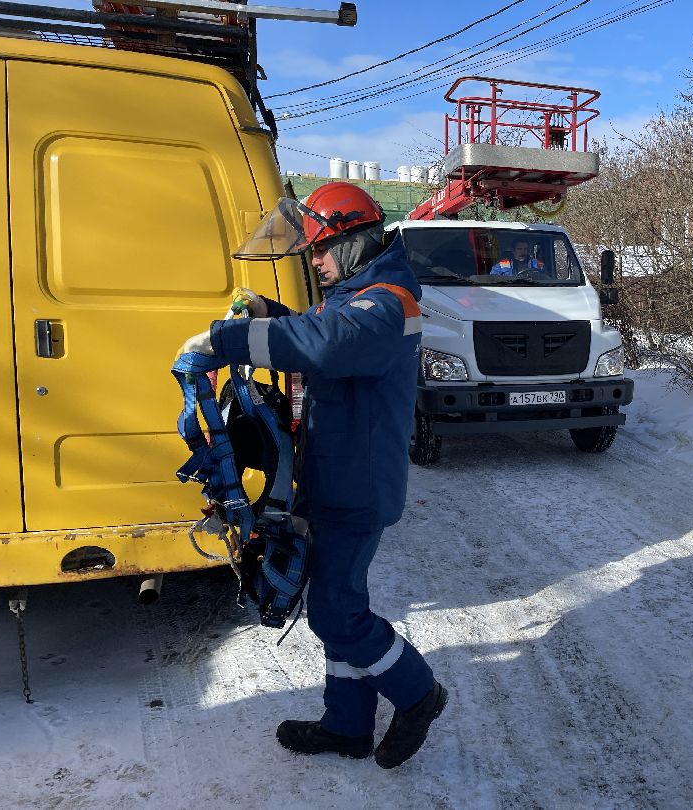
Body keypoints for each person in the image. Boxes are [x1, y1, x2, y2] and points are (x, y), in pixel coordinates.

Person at [177, 182, 447, 769]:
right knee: (337, 601)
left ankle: (417, 691)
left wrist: (226, 340)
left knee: (335, 612)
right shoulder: (355, 296)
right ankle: (347, 725)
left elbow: (327, 346)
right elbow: (316, 331)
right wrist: (270, 316)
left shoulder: (389, 301)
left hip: (358, 488)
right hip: (332, 480)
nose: (315, 262)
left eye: (321, 251)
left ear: (353, 241)